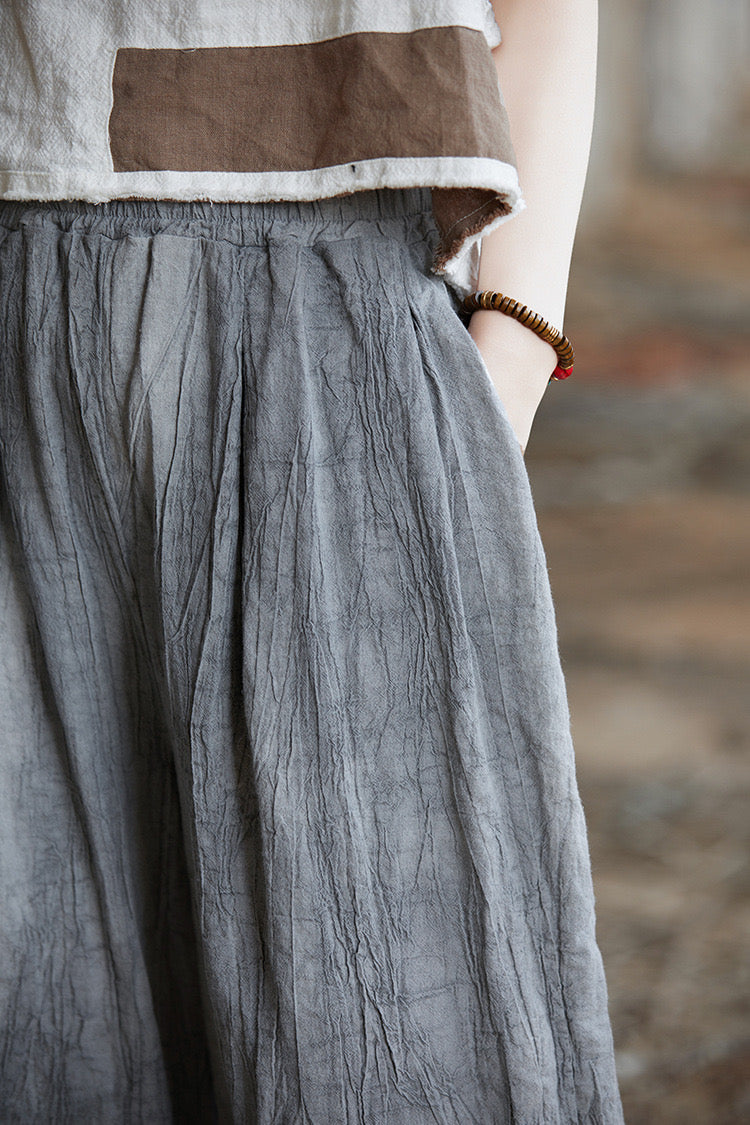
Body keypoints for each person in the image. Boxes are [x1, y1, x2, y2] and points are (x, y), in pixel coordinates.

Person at [0, 1, 625, 1121]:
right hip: (22, 318)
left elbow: (548, 12)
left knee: (376, 1001)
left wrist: (511, 361)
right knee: (49, 988)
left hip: (337, 321)